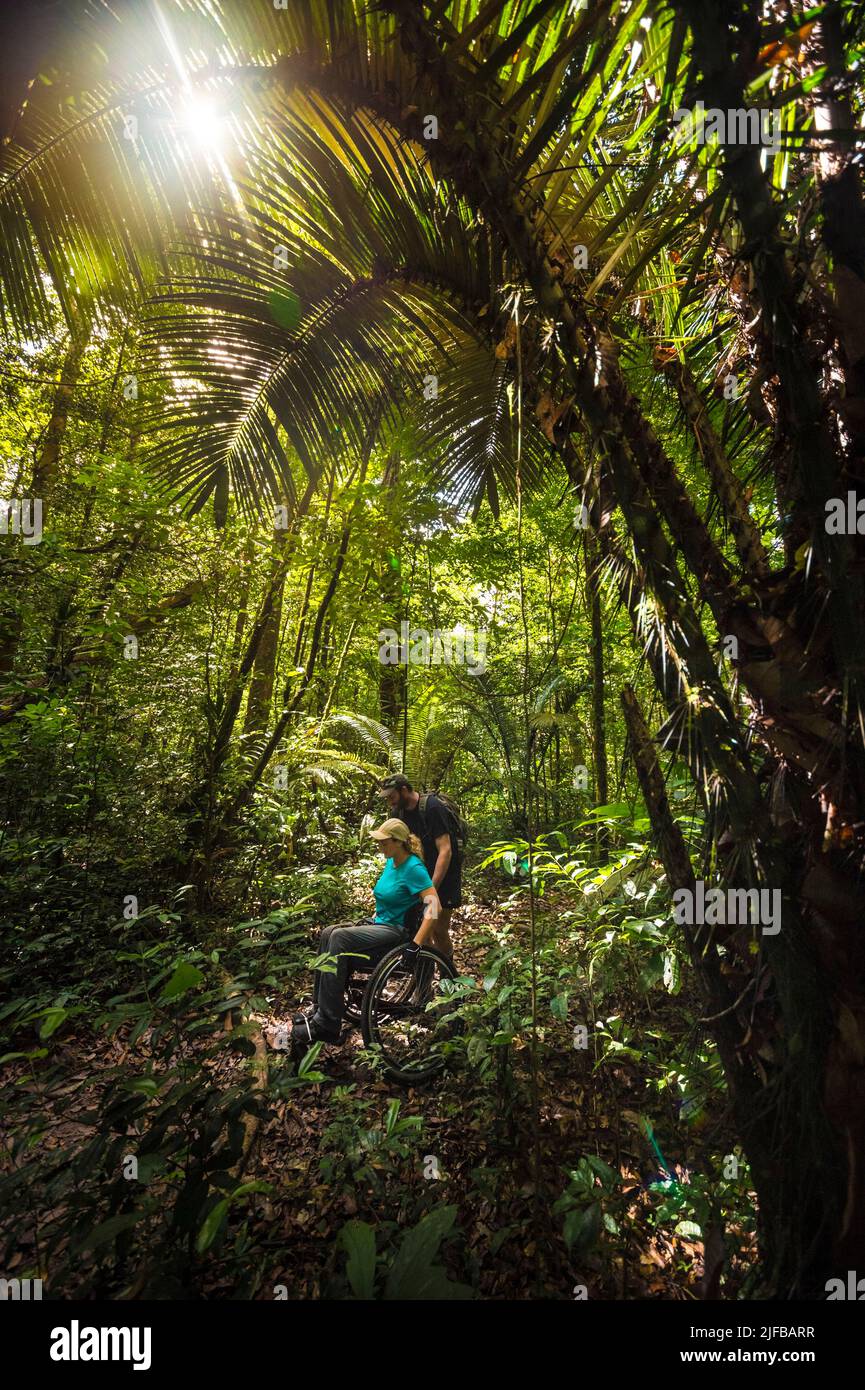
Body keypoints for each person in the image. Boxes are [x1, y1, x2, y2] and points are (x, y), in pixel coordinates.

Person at [290, 818, 441, 1051]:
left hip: (396, 932)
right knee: (329, 932)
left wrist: (417, 944)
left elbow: (433, 906)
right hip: (380, 923)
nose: (379, 846)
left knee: (340, 938)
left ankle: (328, 1023)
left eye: (383, 842)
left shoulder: (413, 867)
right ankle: (320, 1009)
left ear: (398, 842)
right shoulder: (392, 862)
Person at [378, 774, 462, 960]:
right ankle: (426, 976)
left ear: (404, 790)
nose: (389, 801)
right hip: (418, 876)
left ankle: (448, 971)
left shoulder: (432, 807)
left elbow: (445, 850)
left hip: (444, 875)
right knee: (420, 930)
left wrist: (432, 888)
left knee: (438, 929)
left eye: (391, 796)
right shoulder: (397, 814)